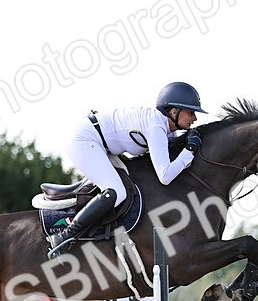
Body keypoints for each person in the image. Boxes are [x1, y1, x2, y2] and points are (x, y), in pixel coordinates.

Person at [47, 81, 206, 258]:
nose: (195, 118)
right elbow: (165, 176)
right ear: (174, 111)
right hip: (85, 140)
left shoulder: (166, 128)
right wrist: (190, 150)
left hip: (100, 144)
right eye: (191, 112)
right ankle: (64, 237)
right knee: (116, 192)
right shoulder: (156, 126)